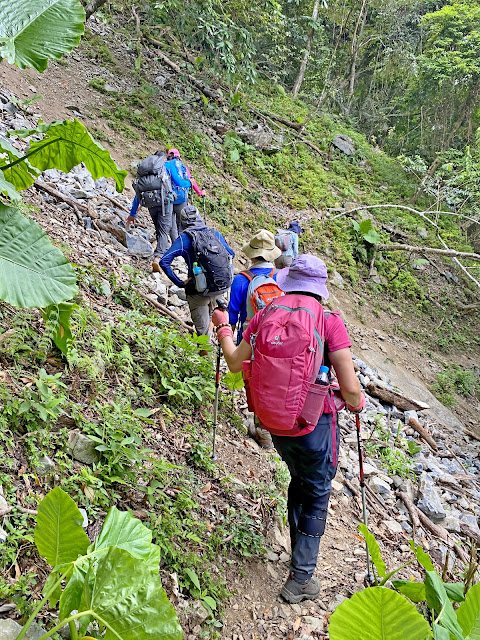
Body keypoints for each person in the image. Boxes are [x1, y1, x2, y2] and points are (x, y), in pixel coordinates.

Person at [211, 254, 364, 603]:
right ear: (320, 289)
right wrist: (356, 404)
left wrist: (222, 326)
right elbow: (351, 389)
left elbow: (235, 363)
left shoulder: (266, 313)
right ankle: (301, 578)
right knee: (317, 490)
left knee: (301, 479)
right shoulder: (328, 321)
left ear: (289, 281)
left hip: (275, 424)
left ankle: (298, 558)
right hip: (312, 424)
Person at [159, 206, 234, 352]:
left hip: (197, 290)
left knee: (202, 335)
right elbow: (231, 253)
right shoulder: (214, 233)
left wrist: (180, 283)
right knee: (212, 317)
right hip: (219, 288)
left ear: (182, 222)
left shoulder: (184, 238)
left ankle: (205, 368)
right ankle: (221, 346)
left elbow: (164, 261)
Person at [126, 150, 191, 271]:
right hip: (165, 202)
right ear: (164, 158)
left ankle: (163, 253)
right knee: (163, 231)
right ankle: (158, 258)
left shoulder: (147, 171)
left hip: (150, 203)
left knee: (159, 229)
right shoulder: (167, 166)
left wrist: (132, 213)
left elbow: (138, 193)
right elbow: (178, 182)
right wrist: (189, 183)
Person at [228, 229, 282, 345]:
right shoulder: (281, 277)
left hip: (247, 339)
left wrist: (227, 339)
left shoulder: (240, 280)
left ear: (251, 256)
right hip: (275, 339)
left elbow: (233, 313)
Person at [166, 148, 205, 236]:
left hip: (169, 198)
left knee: (171, 225)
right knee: (181, 224)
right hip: (181, 198)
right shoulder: (182, 167)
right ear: (179, 156)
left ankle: (174, 244)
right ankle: (182, 244)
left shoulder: (166, 165)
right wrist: (199, 192)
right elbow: (192, 182)